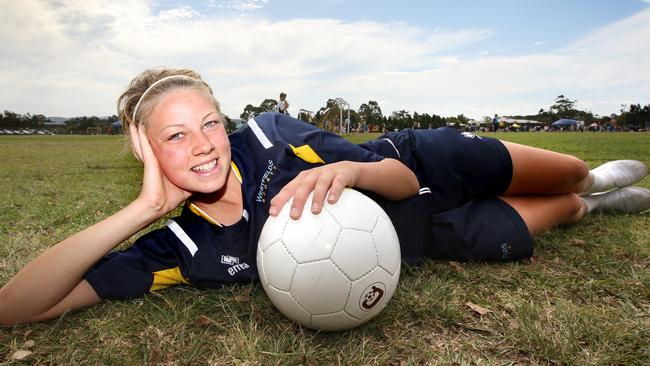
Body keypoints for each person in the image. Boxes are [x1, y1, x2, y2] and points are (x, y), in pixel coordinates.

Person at [1, 67, 648, 326]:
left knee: (566, 171)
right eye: (174, 135)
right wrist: (143, 210)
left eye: (209, 123)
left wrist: (352, 175)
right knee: (561, 213)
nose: (203, 145)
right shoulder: (179, 246)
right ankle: (596, 204)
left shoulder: (271, 136)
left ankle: (590, 180)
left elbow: (397, 180)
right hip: (420, 239)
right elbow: (14, 310)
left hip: (419, 165)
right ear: (146, 152)